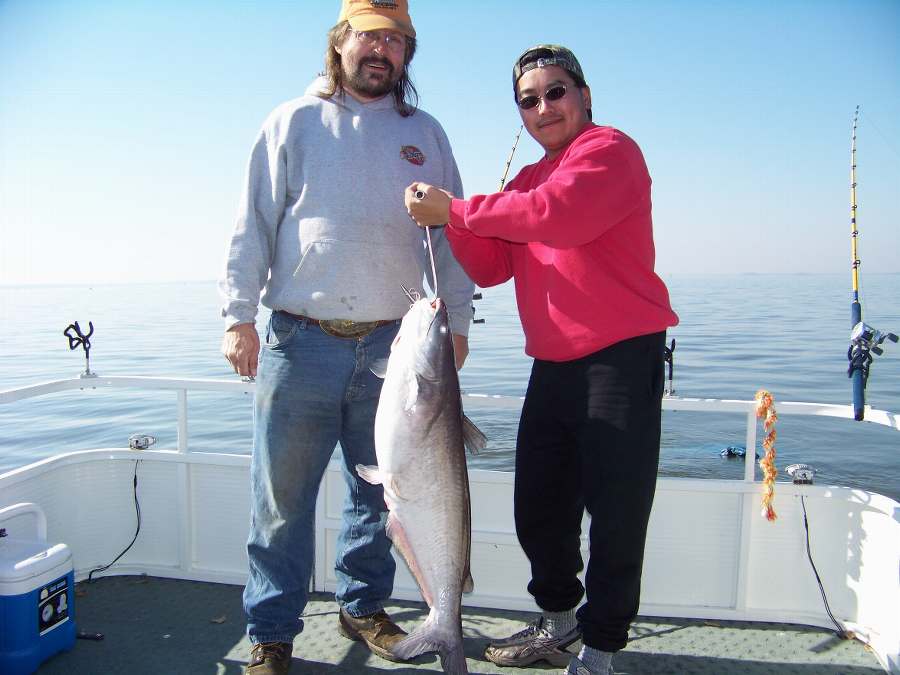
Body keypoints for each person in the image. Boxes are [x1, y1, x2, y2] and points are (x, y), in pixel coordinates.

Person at [405, 44, 678, 675]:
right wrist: (454, 225)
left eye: (556, 92)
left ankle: (601, 650)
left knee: (616, 514)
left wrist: (458, 209)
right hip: (552, 367)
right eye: (529, 100)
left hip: (620, 362)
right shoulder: (526, 179)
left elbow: (562, 216)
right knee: (539, 510)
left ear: (584, 95)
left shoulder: (610, 151)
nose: (544, 106)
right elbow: (496, 268)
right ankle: (558, 621)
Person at [218, 2, 474, 673]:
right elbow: (252, 224)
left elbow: (455, 240)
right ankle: (271, 633)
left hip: (400, 351)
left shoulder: (428, 133)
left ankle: (363, 606)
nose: (382, 51)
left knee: (380, 494)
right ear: (341, 42)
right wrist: (236, 314)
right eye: (371, 36)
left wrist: (462, 326)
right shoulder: (292, 122)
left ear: (406, 54)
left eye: (396, 40)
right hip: (299, 342)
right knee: (281, 500)